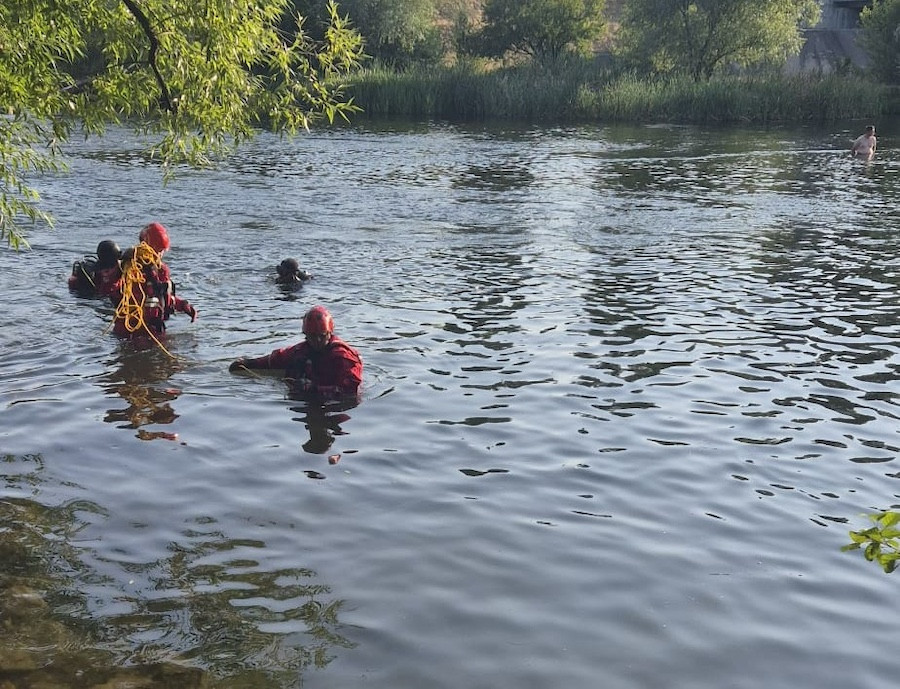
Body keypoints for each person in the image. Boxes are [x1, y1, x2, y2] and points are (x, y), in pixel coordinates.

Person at [229, 305, 363, 401]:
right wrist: (248, 363)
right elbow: (277, 359)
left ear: (330, 333)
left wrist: (314, 389)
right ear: (306, 334)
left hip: (331, 401)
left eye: (322, 336)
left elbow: (350, 391)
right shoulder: (301, 350)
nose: (317, 341)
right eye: (312, 336)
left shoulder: (343, 357)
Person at [112, 222, 197, 339]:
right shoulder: (130, 268)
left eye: (162, 251)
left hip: (152, 329)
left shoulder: (161, 270)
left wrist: (183, 305)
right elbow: (118, 293)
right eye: (158, 250)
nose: (160, 255)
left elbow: (164, 298)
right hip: (131, 329)